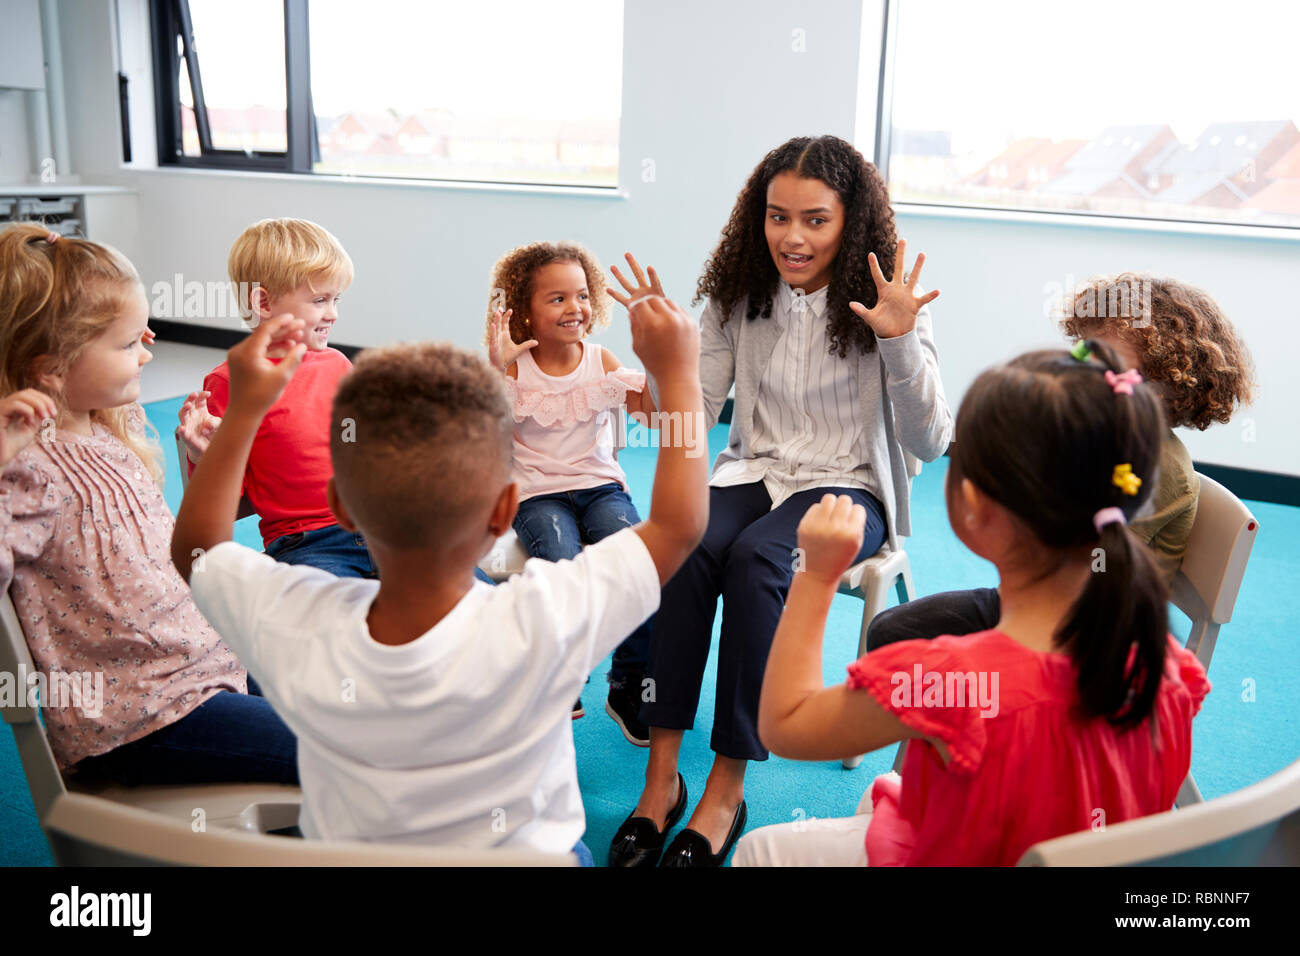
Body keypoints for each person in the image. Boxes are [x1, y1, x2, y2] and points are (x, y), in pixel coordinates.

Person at [170, 293, 707, 864]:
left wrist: (243, 415)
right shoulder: (547, 615)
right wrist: (678, 373)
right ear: (504, 512)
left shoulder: (295, 616)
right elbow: (678, 526)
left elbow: (199, 548)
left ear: (340, 506)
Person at [610, 134, 952, 867]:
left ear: (850, 220)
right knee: (688, 545)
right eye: (776, 216)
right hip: (753, 471)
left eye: (815, 220)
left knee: (762, 560)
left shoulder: (891, 298)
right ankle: (660, 783)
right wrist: (659, 368)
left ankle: (726, 789)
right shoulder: (740, 292)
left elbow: (931, 439)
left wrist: (898, 340)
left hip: (851, 485)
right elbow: (691, 420)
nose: (791, 237)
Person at [735, 342, 1211, 866]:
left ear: (975, 507)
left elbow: (785, 724)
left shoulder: (950, 681)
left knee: (761, 849)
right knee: (884, 796)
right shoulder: (1171, 671)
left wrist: (816, 576)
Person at [0, 223, 296, 785]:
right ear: (51, 368)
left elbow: (160, 549)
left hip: (203, 671)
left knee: (349, 702)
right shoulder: (27, 470)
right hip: (140, 720)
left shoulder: (106, 431)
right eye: (128, 342)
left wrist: (198, 460)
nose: (148, 349)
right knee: (347, 749)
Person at [865, 273, 1257, 650]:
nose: (1081, 373)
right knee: (890, 630)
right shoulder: (1092, 429)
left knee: (924, 657)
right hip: (1032, 600)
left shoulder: (1159, 468)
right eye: (1083, 354)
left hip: (1088, 631)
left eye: (1105, 366)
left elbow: (1092, 568)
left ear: (1165, 387)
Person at [485, 241, 659, 737]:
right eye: (557, 299)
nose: (574, 308)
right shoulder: (515, 368)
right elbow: (481, 434)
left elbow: (652, 411)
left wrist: (654, 353)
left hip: (600, 488)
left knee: (636, 561)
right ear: (524, 313)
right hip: (538, 495)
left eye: (581, 296)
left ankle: (627, 681)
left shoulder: (600, 360)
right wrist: (496, 370)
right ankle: (562, 674)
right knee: (558, 560)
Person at [177, 217, 380, 578]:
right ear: (264, 302)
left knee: (468, 595)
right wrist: (201, 455)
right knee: (329, 617)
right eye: (320, 300)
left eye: (336, 299)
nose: (333, 314)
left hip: (379, 524)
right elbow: (223, 500)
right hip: (308, 543)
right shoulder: (229, 383)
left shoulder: (338, 365)